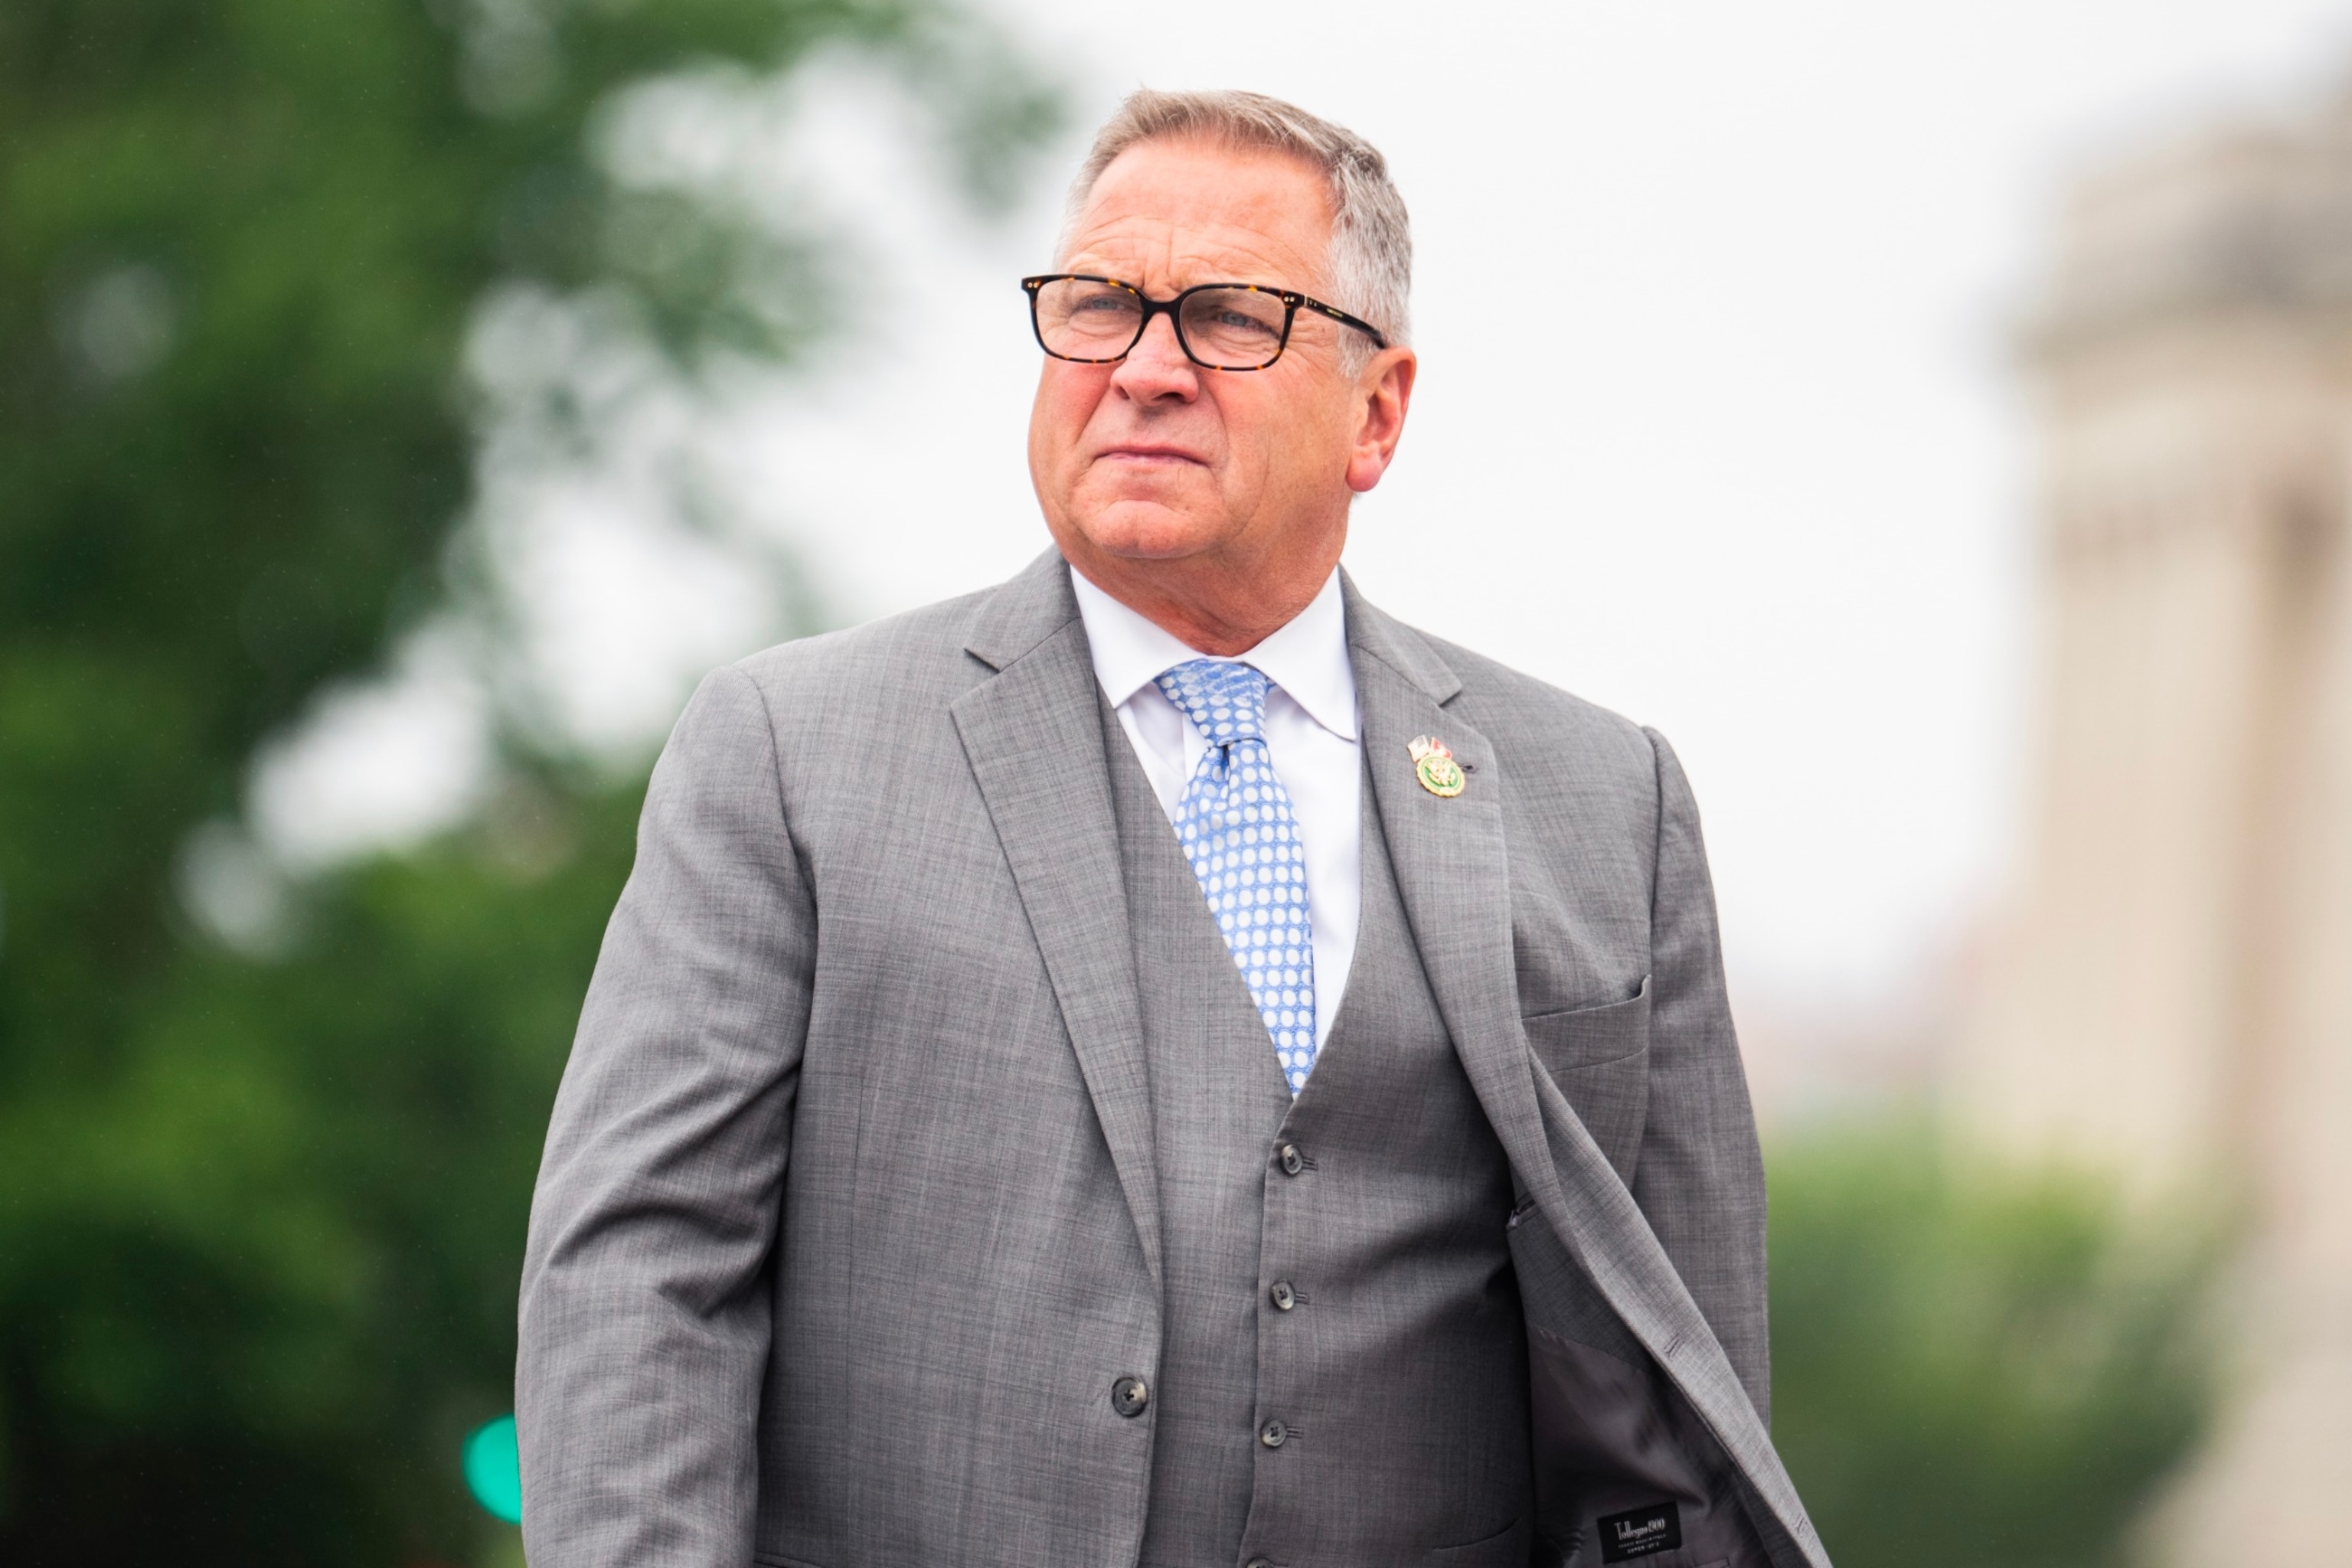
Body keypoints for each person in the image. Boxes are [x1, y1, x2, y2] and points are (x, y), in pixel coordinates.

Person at [518, 89, 1828, 1568]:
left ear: (1377, 412)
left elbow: (1691, 1370)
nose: (1142, 370)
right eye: (1095, 308)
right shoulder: (788, 756)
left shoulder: (1607, 802)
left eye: (1223, 317)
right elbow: (639, 1279)